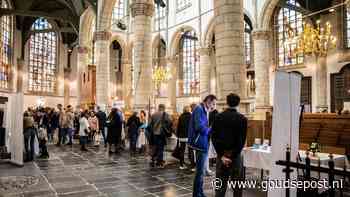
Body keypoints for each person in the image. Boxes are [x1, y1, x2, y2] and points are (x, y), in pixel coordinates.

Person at [212, 93, 247, 197]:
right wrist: (233, 156)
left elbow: (214, 137)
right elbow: (241, 140)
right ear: (238, 103)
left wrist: (222, 155)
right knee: (237, 186)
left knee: (220, 185)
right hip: (236, 157)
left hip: (221, 156)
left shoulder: (218, 117)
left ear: (227, 103)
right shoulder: (242, 119)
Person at [188, 95, 217, 197]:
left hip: (202, 142)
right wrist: (210, 129)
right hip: (199, 143)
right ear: (208, 101)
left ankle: (200, 192)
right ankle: (197, 194)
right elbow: (199, 127)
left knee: (201, 171)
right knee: (200, 172)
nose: (214, 106)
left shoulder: (204, 110)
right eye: (213, 103)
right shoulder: (199, 109)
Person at [149, 104, 173, 168]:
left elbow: (150, 125)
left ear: (159, 108)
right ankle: (159, 162)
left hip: (155, 134)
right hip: (162, 134)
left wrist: (153, 130)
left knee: (156, 147)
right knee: (161, 148)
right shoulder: (166, 115)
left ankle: (154, 159)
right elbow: (170, 123)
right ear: (163, 108)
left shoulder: (154, 115)